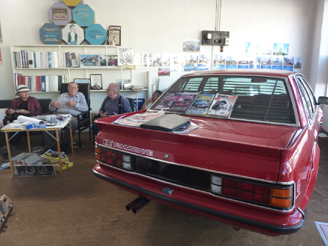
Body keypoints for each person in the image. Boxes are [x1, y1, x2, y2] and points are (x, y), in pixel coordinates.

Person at [0, 85, 51, 158]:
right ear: (19, 94)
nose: (26, 93)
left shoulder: (33, 100)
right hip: (18, 120)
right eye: (24, 92)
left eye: (27, 91)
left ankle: (6, 148)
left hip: (31, 119)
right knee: (16, 130)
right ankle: (7, 149)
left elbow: (39, 112)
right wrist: (10, 111)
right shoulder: (16, 101)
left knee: (20, 131)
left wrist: (27, 112)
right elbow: (8, 112)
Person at [49, 82, 88, 153]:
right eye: (70, 87)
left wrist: (75, 104)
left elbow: (86, 108)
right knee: (47, 122)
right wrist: (51, 104)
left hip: (72, 116)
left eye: (74, 88)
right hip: (59, 115)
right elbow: (53, 110)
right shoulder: (62, 95)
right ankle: (49, 146)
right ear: (68, 89)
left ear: (77, 89)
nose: (72, 89)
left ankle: (65, 144)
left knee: (72, 123)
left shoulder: (80, 95)